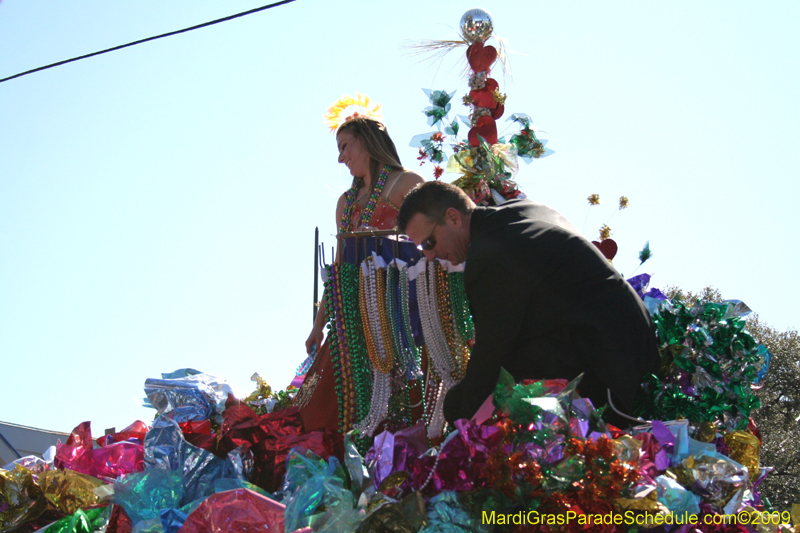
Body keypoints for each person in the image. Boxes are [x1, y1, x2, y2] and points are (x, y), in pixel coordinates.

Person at [397, 181, 659, 427]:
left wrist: (462, 423)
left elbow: (491, 352)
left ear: (453, 217)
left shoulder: (489, 253)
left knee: (482, 400)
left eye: (428, 243)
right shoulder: (519, 213)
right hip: (632, 344)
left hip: (610, 366)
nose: (429, 257)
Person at [296, 116, 425, 432]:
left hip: (402, 315)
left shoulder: (406, 184)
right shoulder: (345, 204)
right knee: (325, 412)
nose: (341, 158)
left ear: (367, 141)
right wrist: (318, 324)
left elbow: (430, 246)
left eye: (344, 146)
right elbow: (339, 268)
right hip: (353, 322)